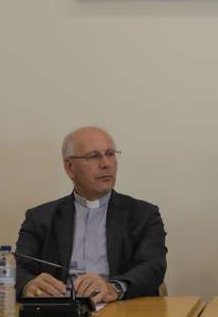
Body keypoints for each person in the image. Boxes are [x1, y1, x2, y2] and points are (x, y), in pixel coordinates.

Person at [15, 127, 167, 303]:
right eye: (94, 156)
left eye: (110, 154)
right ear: (70, 167)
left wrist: (115, 287)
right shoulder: (40, 218)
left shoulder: (143, 214)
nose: (106, 164)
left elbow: (153, 267)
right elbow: (17, 269)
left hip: (120, 309)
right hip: (60, 311)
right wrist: (28, 285)